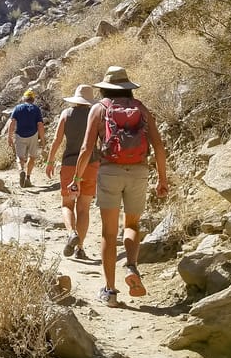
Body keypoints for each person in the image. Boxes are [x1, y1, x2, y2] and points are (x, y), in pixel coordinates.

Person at [71, 66, 169, 307]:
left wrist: (77, 178)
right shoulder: (142, 109)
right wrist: (163, 180)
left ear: (104, 88)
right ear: (127, 88)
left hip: (109, 171)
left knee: (108, 232)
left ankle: (110, 291)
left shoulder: (99, 109)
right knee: (132, 225)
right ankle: (131, 266)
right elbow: (158, 146)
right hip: (139, 171)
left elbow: (86, 149)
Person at [45, 84, 100, 261]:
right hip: (91, 164)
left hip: (69, 164)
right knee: (84, 208)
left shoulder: (66, 114)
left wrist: (50, 160)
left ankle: (71, 233)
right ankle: (80, 248)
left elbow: (57, 140)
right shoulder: (97, 115)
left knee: (67, 204)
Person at [6, 89, 46, 188]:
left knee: (20, 158)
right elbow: (40, 124)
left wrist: (9, 137)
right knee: (32, 157)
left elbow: (12, 122)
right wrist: (43, 139)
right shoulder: (36, 109)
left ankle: (21, 170)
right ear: (33, 99)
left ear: (24, 98)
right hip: (33, 135)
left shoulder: (18, 108)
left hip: (20, 135)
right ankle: (27, 178)